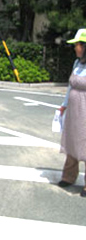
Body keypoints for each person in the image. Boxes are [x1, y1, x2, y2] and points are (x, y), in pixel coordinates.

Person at [58, 28, 86, 197]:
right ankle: (69, 176)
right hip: (74, 110)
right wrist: (64, 104)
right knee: (72, 141)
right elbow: (70, 87)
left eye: (77, 44)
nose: (75, 48)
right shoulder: (77, 64)